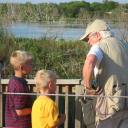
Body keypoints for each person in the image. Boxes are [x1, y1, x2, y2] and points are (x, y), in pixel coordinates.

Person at [80, 19, 128, 128]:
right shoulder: (125, 45)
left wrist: (88, 87)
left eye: (88, 38)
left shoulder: (99, 46)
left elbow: (89, 62)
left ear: (97, 35)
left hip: (110, 103)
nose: (88, 41)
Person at [5, 50, 34, 128]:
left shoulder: (13, 80)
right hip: (19, 124)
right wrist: (35, 108)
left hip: (12, 122)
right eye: (30, 64)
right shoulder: (20, 87)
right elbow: (20, 111)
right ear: (21, 67)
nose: (32, 66)